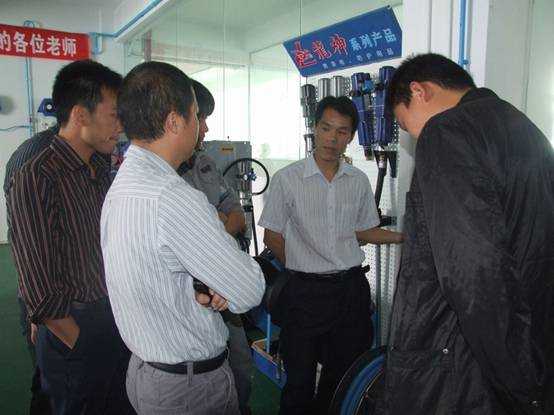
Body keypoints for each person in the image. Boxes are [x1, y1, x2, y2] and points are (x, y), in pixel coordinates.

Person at [380, 53, 554, 415]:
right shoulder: (527, 131)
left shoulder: (445, 132)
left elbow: (473, 273)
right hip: (533, 345)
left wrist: (518, 385)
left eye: (405, 123)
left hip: (466, 368)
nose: (414, 135)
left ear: (419, 91)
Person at [101, 61, 265, 415]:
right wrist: (228, 275)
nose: (202, 126)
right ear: (175, 121)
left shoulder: (124, 183)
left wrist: (198, 285)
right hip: (189, 390)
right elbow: (248, 290)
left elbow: (151, 269)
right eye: (196, 114)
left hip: (147, 372)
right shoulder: (172, 196)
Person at [259, 96, 404, 414]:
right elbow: (272, 236)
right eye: (326, 128)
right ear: (314, 128)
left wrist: (404, 237)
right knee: (299, 382)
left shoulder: (357, 180)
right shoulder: (288, 179)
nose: (331, 138)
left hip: (350, 292)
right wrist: (302, 268)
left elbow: (364, 231)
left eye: (341, 131)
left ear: (350, 137)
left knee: (341, 381)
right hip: (305, 294)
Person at [8, 60, 133, 414]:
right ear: (80, 115)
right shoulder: (37, 175)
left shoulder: (99, 169)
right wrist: (78, 342)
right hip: (75, 330)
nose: (121, 127)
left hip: (113, 319)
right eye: (114, 116)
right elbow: (38, 286)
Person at [177, 80, 254, 415]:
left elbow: (235, 212)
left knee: (240, 365)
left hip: (225, 288)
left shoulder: (204, 162)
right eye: (201, 118)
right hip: (190, 298)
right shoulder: (161, 176)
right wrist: (219, 225)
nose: (206, 128)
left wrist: (219, 225)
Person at [4, 124, 59, 415]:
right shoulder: (34, 159)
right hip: (48, 304)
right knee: (49, 386)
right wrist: (41, 310)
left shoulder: (91, 156)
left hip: (74, 302)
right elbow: (28, 243)